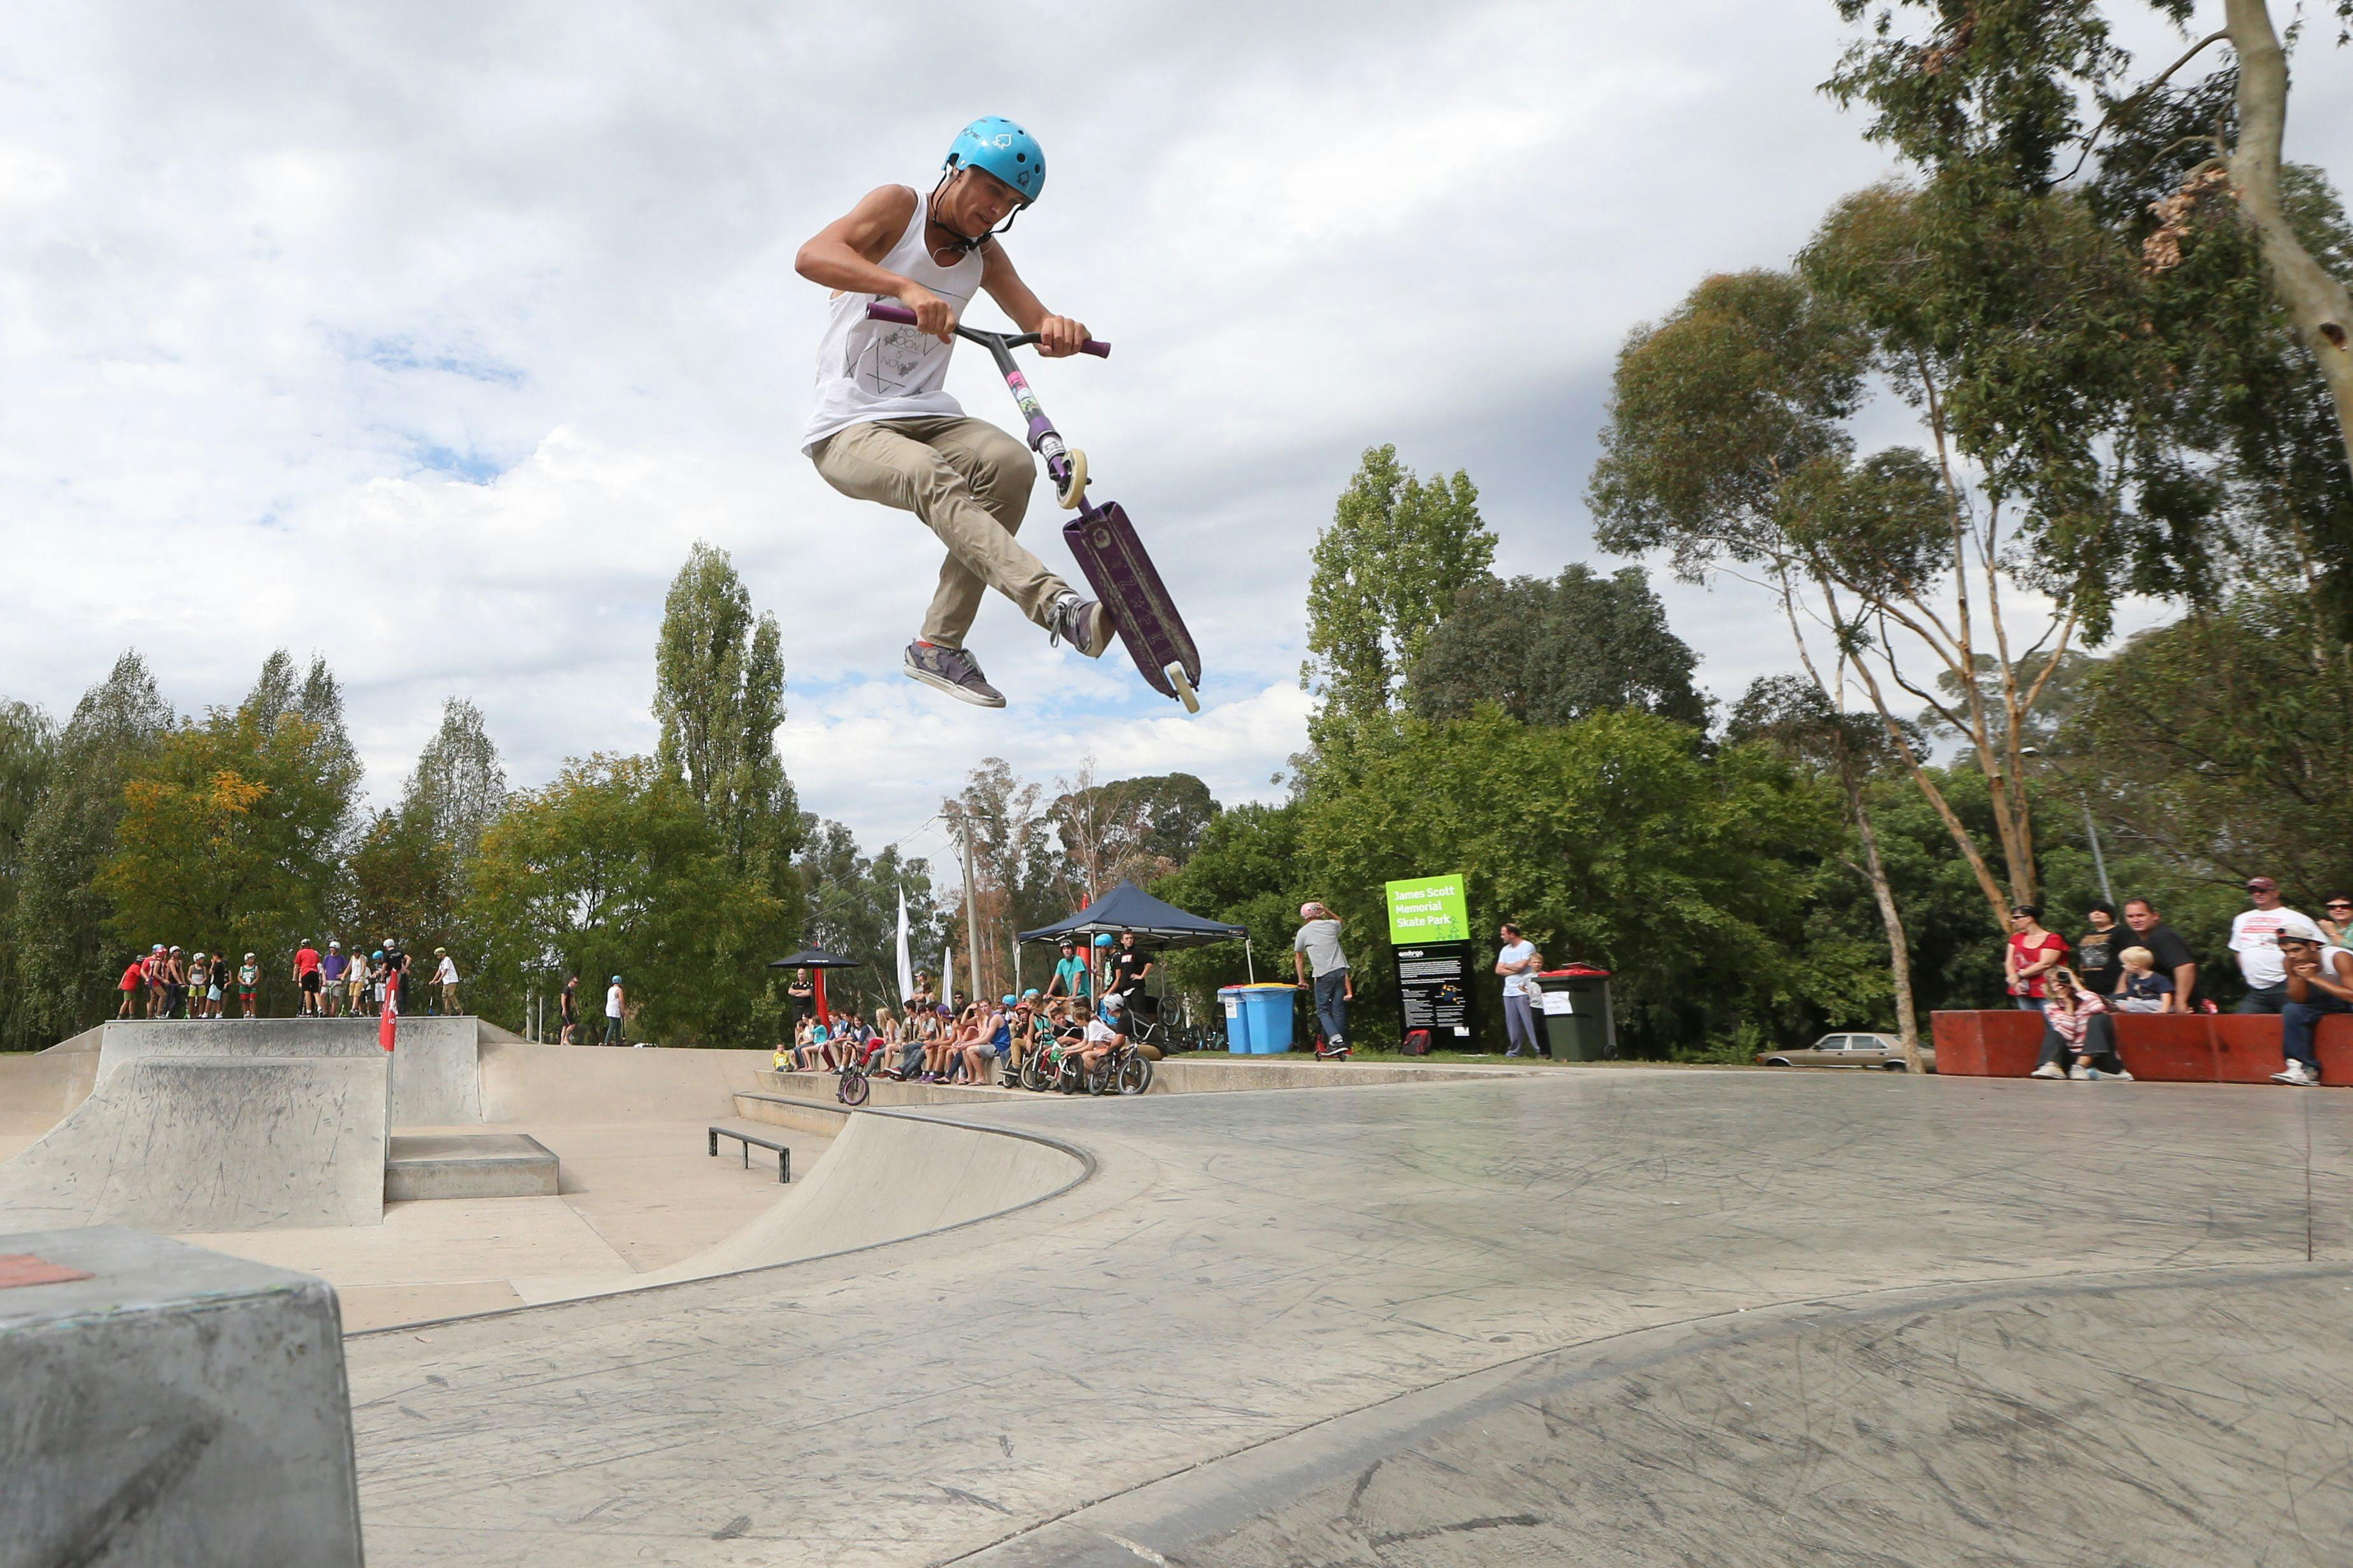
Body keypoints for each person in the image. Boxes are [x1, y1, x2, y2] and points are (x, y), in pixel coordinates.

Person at [795, 117, 1111, 708]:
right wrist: (905, 288)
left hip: (927, 416)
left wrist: (1060, 331)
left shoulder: (986, 257)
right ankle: (1055, 604)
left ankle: (938, 646)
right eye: (990, 190)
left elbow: (1036, 324)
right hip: (848, 426)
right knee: (925, 474)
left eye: (1010, 203)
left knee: (1010, 465)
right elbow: (812, 256)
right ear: (956, 169)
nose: (995, 209)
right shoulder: (900, 207)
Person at [2229, 877, 2322, 1014]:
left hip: (2286, 983)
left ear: (2276, 893)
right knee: (2241, 1025)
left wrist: (2302, 974)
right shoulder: (2241, 919)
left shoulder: (2296, 917)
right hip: (2257, 989)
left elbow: (2318, 947)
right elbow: (2238, 949)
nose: (2257, 894)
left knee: (2295, 1022)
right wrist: (2249, 973)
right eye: (2253, 891)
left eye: (2262, 890)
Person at [2274, 933, 2353, 1085]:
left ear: (2313, 946)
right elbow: (2299, 999)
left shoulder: (2339, 957)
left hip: (2348, 996)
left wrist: (2313, 978)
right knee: (2293, 1010)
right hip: (2336, 998)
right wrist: (2299, 978)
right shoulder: (2290, 962)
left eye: (2296, 950)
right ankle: (2303, 1069)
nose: (2291, 956)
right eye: (2286, 952)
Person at [2028, 968, 2133, 1081]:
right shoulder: (2051, 1008)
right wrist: (2069, 1005)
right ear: (2050, 987)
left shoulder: (2088, 999)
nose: (2059, 984)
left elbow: (2098, 1008)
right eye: (2054, 982)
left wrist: (2077, 986)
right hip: (2071, 1059)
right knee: (2054, 1033)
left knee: (2099, 1018)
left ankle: (2082, 1066)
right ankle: (2053, 1066)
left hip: (2098, 1056)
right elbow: (2066, 1035)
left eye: (2063, 979)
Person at [1291, 901, 1354, 1053]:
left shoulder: (1303, 932)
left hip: (1324, 975)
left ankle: (1336, 1040)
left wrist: (1302, 980)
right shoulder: (1330, 925)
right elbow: (1340, 921)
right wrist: (1327, 910)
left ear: (1304, 917)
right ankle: (1340, 1043)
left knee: (1323, 1011)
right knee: (1337, 1010)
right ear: (1318, 913)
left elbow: (1299, 958)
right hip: (1340, 972)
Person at [2121, 899, 2199, 1010]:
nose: (2136, 920)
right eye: (2130, 916)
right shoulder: (2135, 940)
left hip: (2166, 1003)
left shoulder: (2163, 937)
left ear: (2155, 916)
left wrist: (2181, 1001)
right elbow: (2127, 971)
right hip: (2141, 1000)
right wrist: (2120, 993)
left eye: (2141, 915)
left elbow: (2185, 966)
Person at [1493, 921, 1547, 1059]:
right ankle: (1515, 1051)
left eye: (1503, 934)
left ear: (1512, 934)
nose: (1501, 937)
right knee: (1512, 1024)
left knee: (1530, 1022)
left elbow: (1522, 966)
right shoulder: (1505, 950)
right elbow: (1498, 970)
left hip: (1524, 991)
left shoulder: (1527, 946)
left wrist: (1509, 966)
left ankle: (1540, 1050)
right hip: (1509, 991)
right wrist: (1514, 969)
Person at [2004, 907, 2066, 1012]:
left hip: (2047, 989)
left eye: (2017, 918)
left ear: (2029, 919)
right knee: (2030, 1024)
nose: (2013, 921)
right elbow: (2009, 961)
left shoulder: (2053, 938)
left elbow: (2046, 963)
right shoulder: (2016, 938)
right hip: (2022, 989)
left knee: (2054, 1023)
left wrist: (2018, 976)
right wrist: (2014, 981)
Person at [2072, 902, 2124, 998]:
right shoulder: (2087, 934)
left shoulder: (2122, 933)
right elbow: (2081, 959)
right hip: (2090, 987)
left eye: (2102, 911)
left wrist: (2122, 987)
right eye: (2093, 911)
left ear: (2110, 914)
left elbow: (2128, 960)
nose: (2097, 913)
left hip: (2114, 987)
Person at [2114, 947, 2178, 1014]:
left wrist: (2164, 1010)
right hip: (2142, 1002)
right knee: (2121, 1001)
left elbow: (2166, 996)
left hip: (2157, 1003)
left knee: (2142, 1005)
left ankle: (2120, 1008)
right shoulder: (2134, 981)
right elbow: (2131, 997)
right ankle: (2117, 1006)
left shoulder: (2159, 979)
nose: (2123, 966)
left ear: (2135, 965)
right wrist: (2132, 1001)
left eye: (2124, 964)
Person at [1106, 931, 1153, 1005]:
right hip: (1125, 988)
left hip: (1136, 987)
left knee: (1139, 1012)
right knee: (1131, 1013)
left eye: (1131, 938)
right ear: (1122, 941)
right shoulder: (1121, 954)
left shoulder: (1137, 951)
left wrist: (1141, 976)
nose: (1129, 940)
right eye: (1127, 938)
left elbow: (1150, 962)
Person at [1046, 937, 1093, 1003]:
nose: (1067, 951)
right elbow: (1056, 978)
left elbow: (1077, 979)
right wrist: (1048, 993)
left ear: (1072, 950)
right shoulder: (1062, 962)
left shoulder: (1077, 960)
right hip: (1071, 995)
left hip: (1082, 996)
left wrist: (1074, 996)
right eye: (1064, 949)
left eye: (1068, 948)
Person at [292, 937, 323, 1017]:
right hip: (315, 973)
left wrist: (295, 978)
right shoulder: (314, 953)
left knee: (307, 992)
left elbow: (296, 967)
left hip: (306, 973)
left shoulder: (300, 953)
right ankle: (320, 1008)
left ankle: (309, 1012)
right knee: (316, 992)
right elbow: (317, 962)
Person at [320, 941, 347, 1017]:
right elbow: (323, 968)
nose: (331, 950)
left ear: (337, 949)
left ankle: (333, 1013)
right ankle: (325, 1012)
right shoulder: (327, 958)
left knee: (335, 997)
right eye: (331, 948)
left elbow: (348, 967)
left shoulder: (341, 958)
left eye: (333, 948)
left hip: (337, 981)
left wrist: (343, 975)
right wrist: (324, 979)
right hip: (328, 980)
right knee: (322, 995)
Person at [432, 947, 461, 1016]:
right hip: (446, 982)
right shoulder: (442, 963)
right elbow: (439, 972)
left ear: (442, 954)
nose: (437, 957)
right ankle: (448, 1012)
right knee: (444, 995)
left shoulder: (447, 960)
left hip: (452, 980)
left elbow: (445, 971)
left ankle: (459, 1010)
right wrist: (433, 980)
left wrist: (439, 980)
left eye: (438, 955)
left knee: (451, 995)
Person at [116, 954, 143, 1018]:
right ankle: (120, 1015)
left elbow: (125, 973)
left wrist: (121, 982)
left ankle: (132, 1015)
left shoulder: (132, 966)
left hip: (131, 987)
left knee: (132, 1001)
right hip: (129, 987)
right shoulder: (136, 967)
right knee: (126, 1001)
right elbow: (140, 975)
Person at [604, 975, 627, 1046]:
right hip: (615, 1010)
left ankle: (618, 1041)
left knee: (619, 1025)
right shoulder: (619, 990)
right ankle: (606, 1041)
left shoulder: (610, 989)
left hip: (609, 1008)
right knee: (613, 1025)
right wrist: (623, 1010)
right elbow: (622, 1001)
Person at [558, 972, 579, 1045]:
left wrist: (577, 1010)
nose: (576, 984)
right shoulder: (566, 989)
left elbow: (573, 1001)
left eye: (577, 983)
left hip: (568, 1009)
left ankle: (562, 1042)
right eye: (575, 982)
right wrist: (564, 1009)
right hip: (565, 1010)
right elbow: (563, 998)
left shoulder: (571, 991)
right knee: (572, 1025)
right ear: (571, 981)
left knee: (565, 1025)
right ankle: (566, 1039)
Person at [237, 952, 260, 1018]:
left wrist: (253, 983)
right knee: (244, 1000)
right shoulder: (242, 968)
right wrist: (243, 983)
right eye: (251, 959)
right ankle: (245, 1014)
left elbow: (257, 977)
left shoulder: (255, 968)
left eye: (253, 959)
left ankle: (253, 1014)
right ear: (247, 960)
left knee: (252, 999)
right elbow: (239, 977)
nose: (252, 960)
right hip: (244, 986)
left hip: (252, 986)